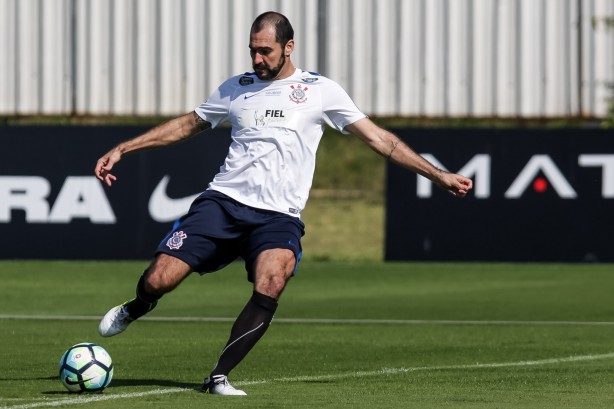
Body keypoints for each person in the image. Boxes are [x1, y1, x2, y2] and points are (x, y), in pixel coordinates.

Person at [94, 11, 473, 396]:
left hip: (278, 216)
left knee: (274, 279)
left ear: (288, 47)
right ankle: (137, 306)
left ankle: (219, 376)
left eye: (265, 51)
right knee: (159, 279)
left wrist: (438, 175)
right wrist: (125, 147)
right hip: (224, 203)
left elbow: (380, 140)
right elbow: (188, 124)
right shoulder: (235, 88)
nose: (257, 59)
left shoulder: (320, 90)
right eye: (252, 51)